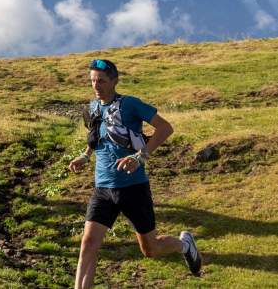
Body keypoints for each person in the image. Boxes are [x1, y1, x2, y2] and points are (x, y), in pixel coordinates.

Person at [69, 59, 201, 287]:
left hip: (133, 188)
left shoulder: (130, 104)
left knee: (151, 249)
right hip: (103, 189)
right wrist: (85, 156)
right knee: (88, 244)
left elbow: (165, 128)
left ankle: (185, 244)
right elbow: (97, 137)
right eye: (92, 81)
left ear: (114, 81)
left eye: (101, 80)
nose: (96, 85)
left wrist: (139, 157)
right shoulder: (91, 108)